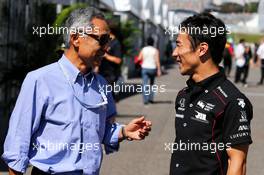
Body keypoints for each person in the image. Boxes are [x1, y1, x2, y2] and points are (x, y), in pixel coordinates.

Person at [2, 7, 151, 175]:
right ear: (76, 38)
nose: (106, 48)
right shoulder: (40, 80)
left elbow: (97, 131)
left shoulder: (101, 84)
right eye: (102, 40)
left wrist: (124, 131)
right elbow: (18, 141)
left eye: (108, 40)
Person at [170, 13, 253, 175]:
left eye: (179, 45)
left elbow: (238, 163)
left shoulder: (233, 101)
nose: (174, 53)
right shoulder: (183, 95)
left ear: (202, 49)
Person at [96, 26, 122, 101]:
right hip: (102, 72)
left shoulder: (116, 43)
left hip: (111, 74)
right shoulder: (106, 42)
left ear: (109, 31)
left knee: (107, 95)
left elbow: (118, 60)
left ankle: (111, 108)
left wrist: (106, 56)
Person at [137, 37, 161, 105]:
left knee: (145, 84)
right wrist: (159, 70)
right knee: (152, 85)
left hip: (144, 68)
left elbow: (139, 58)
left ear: (147, 42)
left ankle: (145, 100)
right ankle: (151, 99)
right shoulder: (155, 50)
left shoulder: (143, 49)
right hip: (152, 69)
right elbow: (157, 61)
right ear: (153, 43)